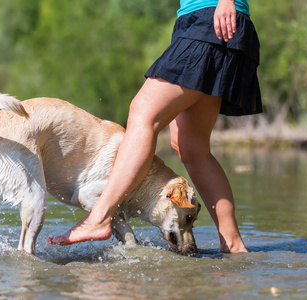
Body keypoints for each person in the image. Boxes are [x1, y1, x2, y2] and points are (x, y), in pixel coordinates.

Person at [47, 0, 261, 253]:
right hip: (197, 22)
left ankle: (100, 217)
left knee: (143, 113)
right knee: (191, 148)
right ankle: (233, 245)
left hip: (213, 18)